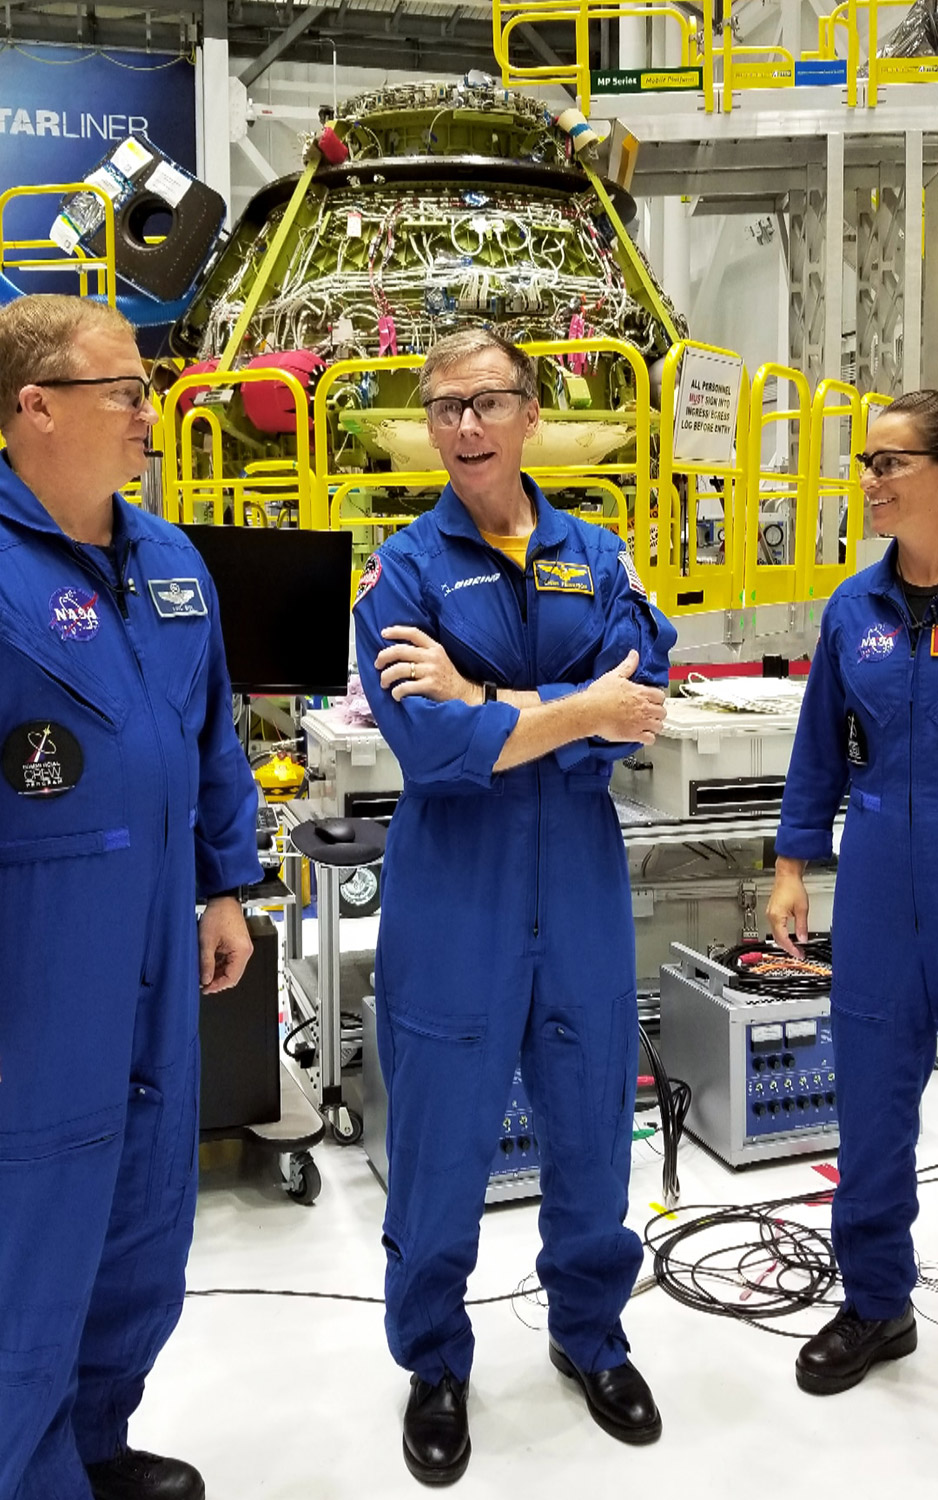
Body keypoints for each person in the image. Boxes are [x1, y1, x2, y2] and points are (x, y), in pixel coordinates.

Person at [353, 328, 675, 1484]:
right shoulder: (400, 572)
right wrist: (567, 709)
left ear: (529, 412)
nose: (465, 428)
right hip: (455, 888)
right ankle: (434, 1361)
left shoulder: (597, 553)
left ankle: (590, 1333)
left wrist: (494, 701)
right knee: (441, 1139)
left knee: (591, 1117)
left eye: (486, 402)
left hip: (578, 883)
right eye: (442, 409)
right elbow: (433, 751)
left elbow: (637, 701)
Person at [0, 295, 263, 1500]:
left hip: (161, 933)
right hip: (39, 950)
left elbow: (211, 743)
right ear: (33, 407)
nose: (147, 410)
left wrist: (224, 885)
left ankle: (91, 1448)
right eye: (123, 390)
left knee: (144, 1218)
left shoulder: (171, 561)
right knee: (33, 1232)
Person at [767, 389, 938, 1397]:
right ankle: (876, 1303)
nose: (865, 481)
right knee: (870, 1101)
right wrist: (791, 867)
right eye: (862, 464)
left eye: (886, 463)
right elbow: (813, 753)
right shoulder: (852, 609)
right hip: (878, 870)